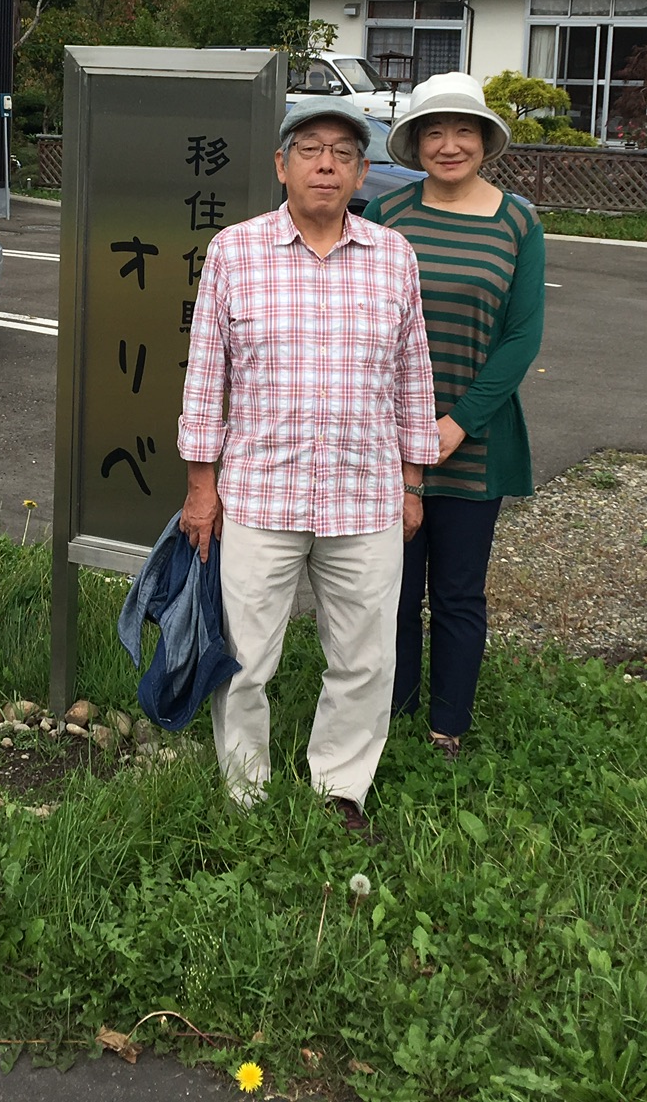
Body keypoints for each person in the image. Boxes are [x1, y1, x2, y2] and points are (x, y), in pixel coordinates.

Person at [177, 96, 440, 829]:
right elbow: (206, 376)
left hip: (365, 495)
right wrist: (202, 487)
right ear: (281, 166)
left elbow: (412, 374)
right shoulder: (235, 251)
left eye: (344, 153)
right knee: (245, 658)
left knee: (364, 657)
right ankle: (245, 789)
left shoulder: (392, 256)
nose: (326, 164)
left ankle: (341, 786)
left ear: (361, 173)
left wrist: (413, 480)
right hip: (260, 492)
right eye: (311, 150)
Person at [365, 72, 545, 758]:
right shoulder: (387, 218)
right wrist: (404, 429)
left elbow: (522, 336)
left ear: (484, 141)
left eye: (462, 131)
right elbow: (362, 326)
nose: (448, 145)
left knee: (461, 590)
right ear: (414, 143)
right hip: (387, 441)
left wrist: (458, 421)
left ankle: (448, 727)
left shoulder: (517, 221)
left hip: (477, 438)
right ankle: (393, 708)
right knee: (392, 588)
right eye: (433, 132)